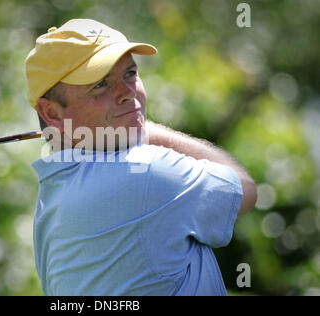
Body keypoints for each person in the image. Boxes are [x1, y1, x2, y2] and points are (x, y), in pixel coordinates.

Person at [25, 18, 257, 296]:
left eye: (130, 73)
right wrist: (150, 131)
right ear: (52, 113)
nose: (127, 92)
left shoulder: (53, 190)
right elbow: (245, 190)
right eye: (100, 84)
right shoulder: (145, 173)